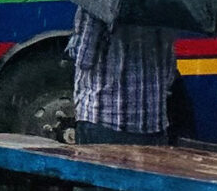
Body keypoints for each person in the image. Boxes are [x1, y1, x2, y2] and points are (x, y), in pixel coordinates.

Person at [70, 8, 177, 145]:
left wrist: (74, 40)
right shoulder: (163, 3)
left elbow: (84, 58)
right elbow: (169, 72)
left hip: (105, 119)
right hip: (152, 124)